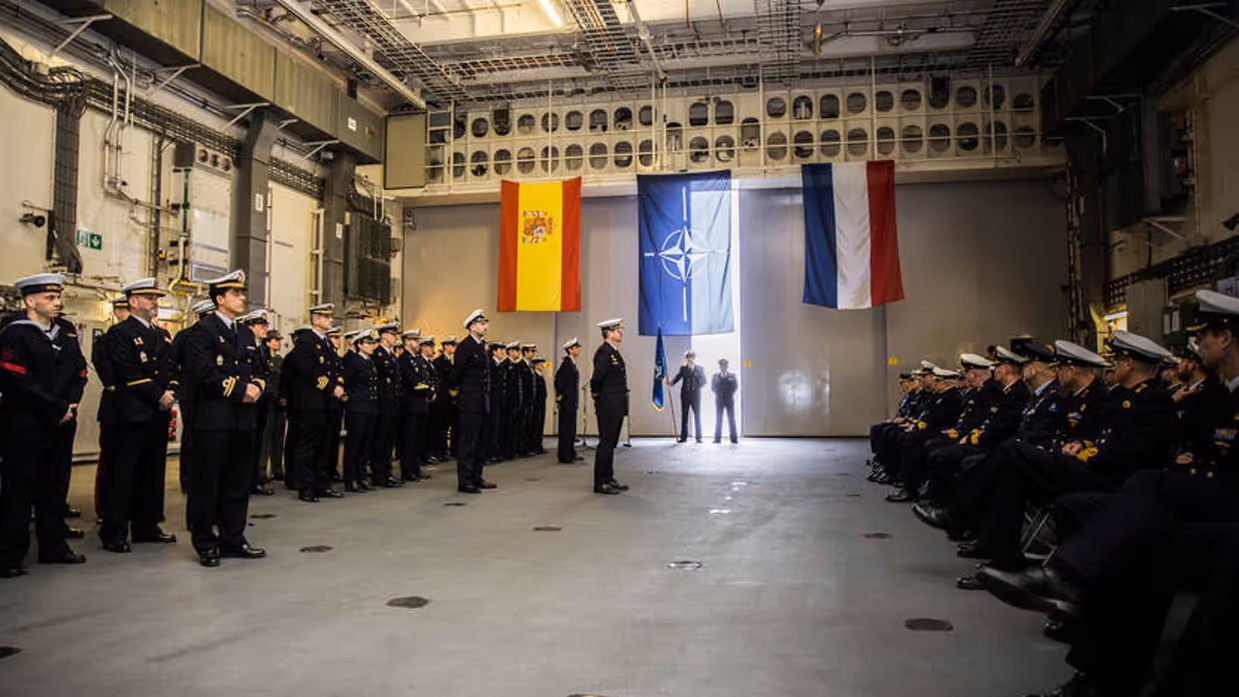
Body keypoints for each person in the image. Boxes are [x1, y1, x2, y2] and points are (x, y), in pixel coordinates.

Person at [0, 273, 89, 577]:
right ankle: (10, 555)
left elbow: (80, 371)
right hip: (26, 424)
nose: (57, 303)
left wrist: (71, 404)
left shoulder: (64, 332)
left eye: (57, 297)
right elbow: (16, 379)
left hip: (62, 423)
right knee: (19, 490)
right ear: (29, 301)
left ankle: (54, 547)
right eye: (49, 298)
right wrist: (55, 407)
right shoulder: (14, 334)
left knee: (55, 487)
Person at [181, 270, 267, 567]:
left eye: (242, 293)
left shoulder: (244, 333)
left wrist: (257, 387)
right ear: (220, 299)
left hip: (243, 420)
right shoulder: (201, 332)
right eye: (236, 294)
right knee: (208, 482)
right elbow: (205, 374)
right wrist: (241, 390)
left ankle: (233, 537)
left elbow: (258, 368)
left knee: (238, 482)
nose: (242, 298)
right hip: (214, 420)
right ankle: (206, 541)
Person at [99, 278, 177, 554]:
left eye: (156, 298)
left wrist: (170, 391)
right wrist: (158, 394)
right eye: (148, 297)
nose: (155, 302)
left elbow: (169, 369)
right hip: (130, 414)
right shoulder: (120, 333)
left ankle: (146, 526)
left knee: (152, 473)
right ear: (132, 301)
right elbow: (126, 372)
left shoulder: (160, 334)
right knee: (124, 473)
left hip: (155, 414)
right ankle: (115, 530)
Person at [284, 304, 345, 503]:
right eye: (326, 317)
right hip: (311, 403)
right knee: (308, 447)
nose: (330, 321)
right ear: (316, 320)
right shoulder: (307, 342)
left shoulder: (325, 342)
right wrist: (331, 388)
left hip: (325, 404)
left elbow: (332, 368)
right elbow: (309, 372)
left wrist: (337, 385)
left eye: (329, 317)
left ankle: (322, 484)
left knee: (323, 446)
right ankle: (306, 486)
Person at [452, 310, 495, 494]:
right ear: (471, 327)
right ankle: (465, 480)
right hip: (469, 400)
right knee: (468, 442)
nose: (484, 326)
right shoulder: (465, 346)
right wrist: (460, 395)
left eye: (485, 323)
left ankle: (476, 476)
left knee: (480, 441)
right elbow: (457, 374)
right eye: (480, 324)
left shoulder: (482, 346)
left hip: (482, 400)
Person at [590, 319, 630, 495]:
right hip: (608, 405)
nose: (620, 332)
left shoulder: (614, 352)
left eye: (620, 330)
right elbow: (596, 380)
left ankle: (609, 477)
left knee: (611, 443)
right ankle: (600, 483)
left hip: (616, 404)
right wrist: (601, 400)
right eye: (617, 330)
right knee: (605, 443)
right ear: (608, 333)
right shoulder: (604, 353)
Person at [240, 309, 276, 497]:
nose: (265, 329)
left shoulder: (262, 349)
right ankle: (245, 480)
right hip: (248, 402)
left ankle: (255, 478)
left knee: (260, 443)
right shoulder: (243, 345)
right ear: (250, 327)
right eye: (261, 326)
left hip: (262, 402)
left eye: (265, 325)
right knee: (247, 444)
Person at [342, 329, 379, 493]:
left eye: (372, 343)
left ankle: (362, 476)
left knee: (365, 444)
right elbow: (347, 385)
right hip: (357, 407)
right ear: (359, 345)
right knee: (354, 445)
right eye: (368, 343)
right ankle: (351, 478)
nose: (372, 346)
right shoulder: (353, 361)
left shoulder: (369, 361)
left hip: (370, 406)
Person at [371, 322, 403, 488]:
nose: (395, 338)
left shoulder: (390, 355)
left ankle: (387, 472)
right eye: (392, 335)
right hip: (383, 404)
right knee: (381, 440)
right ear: (384, 336)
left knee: (389, 441)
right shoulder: (378, 355)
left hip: (392, 404)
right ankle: (379, 474)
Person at [398, 329, 433, 482]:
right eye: (415, 341)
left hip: (420, 404)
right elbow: (413, 380)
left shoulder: (417, 359)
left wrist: (430, 390)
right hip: (410, 404)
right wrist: (427, 390)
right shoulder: (404, 359)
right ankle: (407, 470)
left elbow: (425, 377)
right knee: (409, 439)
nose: (418, 343)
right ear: (407, 342)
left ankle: (415, 467)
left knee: (418, 439)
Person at [262, 330, 286, 486]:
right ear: (268, 342)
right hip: (268, 402)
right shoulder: (264, 359)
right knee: (265, 438)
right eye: (275, 340)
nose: (278, 342)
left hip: (280, 404)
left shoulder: (280, 360)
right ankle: (262, 470)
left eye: (278, 340)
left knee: (278, 437)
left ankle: (277, 468)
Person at [556, 338, 584, 463]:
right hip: (567, 402)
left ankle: (571, 452)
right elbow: (559, 382)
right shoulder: (566, 364)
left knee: (571, 429)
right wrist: (562, 396)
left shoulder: (571, 363)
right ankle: (564, 455)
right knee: (565, 429)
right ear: (570, 350)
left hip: (571, 402)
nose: (578, 350)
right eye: (576, 348)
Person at [670, 350, 707, 443]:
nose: (689, 359)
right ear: (686, 359)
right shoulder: (683, 368)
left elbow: (704, 381)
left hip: (696, 395)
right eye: (688, 357)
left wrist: (697, 385)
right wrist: (671, 382)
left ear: (694, 358)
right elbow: (677, 377)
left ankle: (699, 437)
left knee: (697, 416)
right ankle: (683, 437)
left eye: (691, 357)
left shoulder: (700, 369)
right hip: (685, 395)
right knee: (684, 416)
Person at [431, 337, 458, 460]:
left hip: (452, 399)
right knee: (440, 427)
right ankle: (439, 451)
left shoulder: (453, 361)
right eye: (452, 345)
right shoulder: (438, 362)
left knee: (449, 425)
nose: (454, 348)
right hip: (442, 399)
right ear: (446, 346)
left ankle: (447, 450)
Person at [712, 358, 738, 443]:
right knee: (718, 419)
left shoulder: (732, 376)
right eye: (721, 365)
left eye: (725, 365)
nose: (723, 367)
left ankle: (734, 438)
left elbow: (735, 387)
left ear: (727, 366)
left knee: (731, 419)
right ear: (719, 367)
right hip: (719, 400)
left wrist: (729, 394)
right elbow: (713, 388)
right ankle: (717, 438)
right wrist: (719, 394)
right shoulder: (715, 376)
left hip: (729, 400)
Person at [531, 357, 549, 455]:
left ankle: (539, 445)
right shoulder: (535, 377)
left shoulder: (540, 376)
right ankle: (535, 446)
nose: (543, 366)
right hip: (537, 405)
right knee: (536, 425)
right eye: (541, 364)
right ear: (536, 366)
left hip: (541, 404)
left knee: (540, 424)